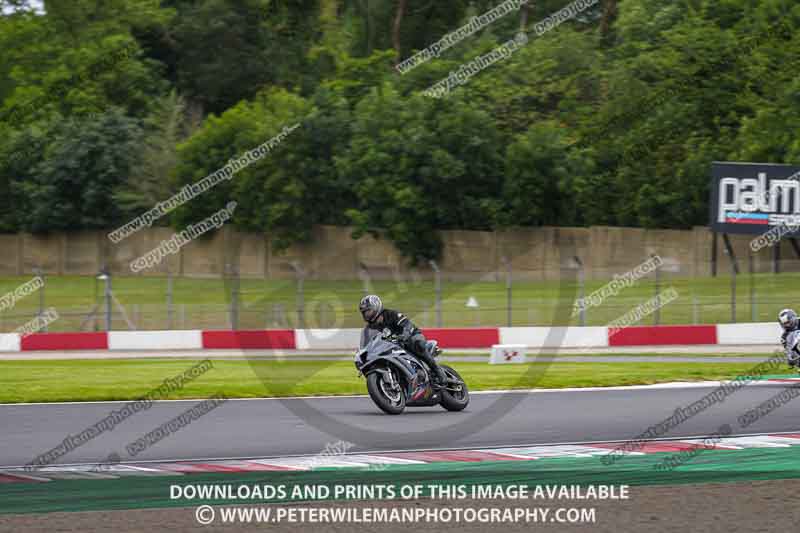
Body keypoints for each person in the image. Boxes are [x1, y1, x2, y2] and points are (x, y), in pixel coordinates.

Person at [359, 294, 448, 387]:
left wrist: (404, 335)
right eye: (364, 312)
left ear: (376, 307)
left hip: (411, 336)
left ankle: (438, 371)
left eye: (368, 311)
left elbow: (407, 324)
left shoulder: (390, 314)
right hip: (392, 345)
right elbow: (367, 343)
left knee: (416, 344)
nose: (366, 314)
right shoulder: (369, 328)